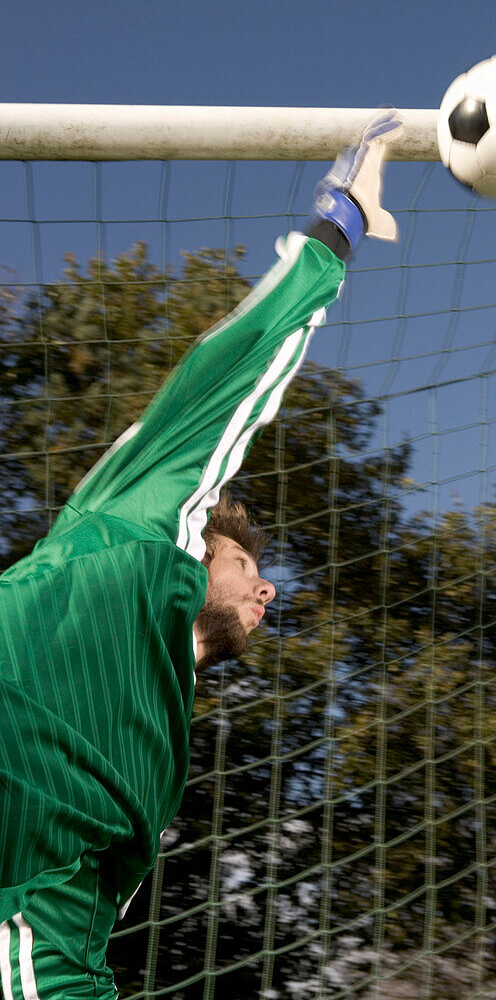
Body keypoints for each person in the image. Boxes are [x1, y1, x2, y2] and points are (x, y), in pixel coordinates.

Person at [0, 108, 402, 999]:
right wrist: (337, 225)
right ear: (202, 545)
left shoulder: (160, 741)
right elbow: (224, 378)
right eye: (249, 566)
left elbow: (75, 912)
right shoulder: (137, 528)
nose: (268, 591)